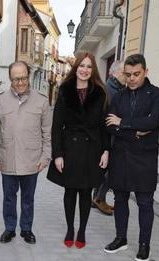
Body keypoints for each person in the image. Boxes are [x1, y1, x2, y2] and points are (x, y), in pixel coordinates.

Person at [104, 54, 159, 261]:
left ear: (146, 72)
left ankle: (144, 245)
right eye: (128, 75)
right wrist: (133, 131)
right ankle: (121, 238)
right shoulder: (119, 96)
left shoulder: (157, 95)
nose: (131, 79)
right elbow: (110, 125)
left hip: (145, 159)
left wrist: (123, 121)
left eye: (136, 74)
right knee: (120, 199)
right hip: (120, 156)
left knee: (145, 202)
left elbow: (152, 122)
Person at [47, 52, 110, 249]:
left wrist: (106, 151)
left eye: (89, 67)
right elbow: (56, 125)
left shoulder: (100, 92)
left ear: (93, 70)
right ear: (76, 68)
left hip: (92, 148)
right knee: (70, 190)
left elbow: (104, 126)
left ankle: (82, 230)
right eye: (82, 66)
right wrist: (57, 154)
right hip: (69, 148)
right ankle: (70, 229)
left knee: (85, 192)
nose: (85, 70)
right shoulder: (65, 89)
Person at [0, 61, 51, 244]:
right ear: (10, 79)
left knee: (28, 198)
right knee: (9, 198)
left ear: (28, 76)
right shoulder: (0, 101)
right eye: (16, 79)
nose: (20, 82)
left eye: (24, 78)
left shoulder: (41, 101)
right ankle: (9, 228)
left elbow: (47, 133)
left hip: (32, 160)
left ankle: (26, 229)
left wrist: (45, 156)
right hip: (7, 158)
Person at [92, 60, 125, 216]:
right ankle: (99, 198)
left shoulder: (116, 88)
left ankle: (97, 198)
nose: (126, 76)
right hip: (109, 137)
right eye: (124, 72)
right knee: (109, 170)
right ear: (115, 73)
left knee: (104, 169)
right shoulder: (110, 90)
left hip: (111, 136)